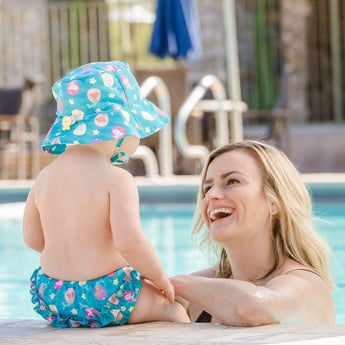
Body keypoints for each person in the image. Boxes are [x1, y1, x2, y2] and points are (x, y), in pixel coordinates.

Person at [23, 61, 189, 328]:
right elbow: (130, 243)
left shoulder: (44, 178)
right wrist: (160, 278)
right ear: (119, 126)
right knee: (176, 311)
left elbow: (32, 239)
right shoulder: (117, 179)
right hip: (105, 296)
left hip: (52, 297)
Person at [171, 140, 336, 326]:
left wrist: (175, 284)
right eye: (207, 188)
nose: (211, 195)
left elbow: (251, 307)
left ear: (275, 202)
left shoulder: (307, 286)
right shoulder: (201, 285)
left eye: (232, 181)